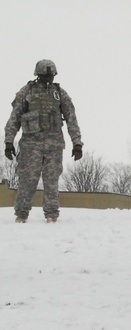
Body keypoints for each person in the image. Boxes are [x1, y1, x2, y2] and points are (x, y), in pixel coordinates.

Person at [5, 59, 83, 223]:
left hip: (54, 145)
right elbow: (14, 118)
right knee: (27, 180)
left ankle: (52, 214)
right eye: (45, 76)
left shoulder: (60, 93)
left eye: (51, 76)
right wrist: (8, 141)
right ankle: (21, 213)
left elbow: (71, 118)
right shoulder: (27, 91)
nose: (49, 79)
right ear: (38, 75)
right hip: (30, 146)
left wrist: (77, 143)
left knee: (51, 180)